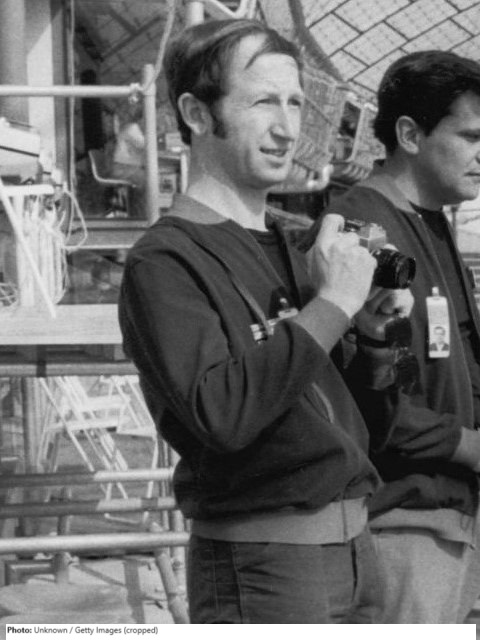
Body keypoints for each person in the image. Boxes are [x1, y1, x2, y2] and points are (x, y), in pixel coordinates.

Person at [118, 18, 412, 624]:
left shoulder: (294, 247)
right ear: (197, 114)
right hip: (265, 562)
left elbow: (370, 424)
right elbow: (222, 415)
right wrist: (330, 307)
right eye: (262, 103)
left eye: (294, 103)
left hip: (357, 546)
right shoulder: (166, 260)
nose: (287, 128)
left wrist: (373, 335)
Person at [318, 50, 480, 623]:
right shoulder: (363, 235)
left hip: (447, 521)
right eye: (471, 137)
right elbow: (370, 401)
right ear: (410, 135)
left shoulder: (430, 224)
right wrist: (470, 446)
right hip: (401, 526)